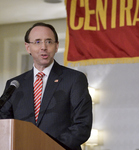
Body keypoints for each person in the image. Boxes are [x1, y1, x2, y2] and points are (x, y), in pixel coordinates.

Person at [0, 22, 93, 150]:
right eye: (37, 42)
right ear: (28, 47)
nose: (44, 47)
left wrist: (47, 146)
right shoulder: (15, 84)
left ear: (56, 46)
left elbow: (82, 125)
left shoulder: (74, 79)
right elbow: (4, 124)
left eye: (49, 42)